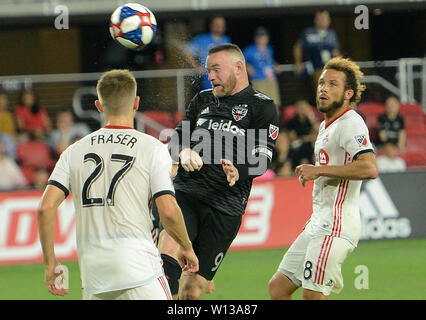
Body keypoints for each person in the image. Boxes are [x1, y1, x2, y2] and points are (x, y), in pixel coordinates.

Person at [37, 69, 198, 300]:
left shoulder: (73, 151)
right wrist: (186, 246)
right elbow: (168, 212)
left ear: (99, 106)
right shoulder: (151, 148)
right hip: (140, 271)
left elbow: (45, 208)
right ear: (136, 102)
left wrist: (49, 263)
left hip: (94, 277)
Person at [161, 43, 280, 300]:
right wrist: (183, 153)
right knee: (168, 251)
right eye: (208, 70)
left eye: (216, 69)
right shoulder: (202, 99)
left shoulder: (263, 106)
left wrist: (239, 170)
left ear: (238, 68)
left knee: (193, 290)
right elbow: (176, 140)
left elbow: (262, 158)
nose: (210, 76)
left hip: (225, 208)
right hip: (187, 194)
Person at [268, 57, 378, 300]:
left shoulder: (351, 122)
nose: (323, 88)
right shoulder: (327, 126)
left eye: (332, 84)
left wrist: (319, 170)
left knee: (312, 296)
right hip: (319, 222)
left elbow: (369, 168)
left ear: (348, 93)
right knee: (278, 288)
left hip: (336, 225)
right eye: (321, 83)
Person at [293, 11, 341, 104]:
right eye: (320, 19)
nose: (323, 21)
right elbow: (298, 46)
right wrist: (298, 62)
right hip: (315, 68)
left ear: (329, 20)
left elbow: (336, 52)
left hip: (330, 69)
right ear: (315, 20)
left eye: (325, 19)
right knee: (321, 91)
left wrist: (341, 66)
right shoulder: (308, 32)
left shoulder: (331, 34)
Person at [184, 16, 231, 91]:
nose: (220, 26)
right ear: (211, 25)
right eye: (217, 24)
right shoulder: (202, 39)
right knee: (211, 98)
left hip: (224, 75)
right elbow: (187, 53)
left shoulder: (226, 39)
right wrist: (197, 67)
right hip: (209, 76)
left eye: (222, 24)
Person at [243, 26, 282, 109]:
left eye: (264, 36)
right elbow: (239, 59)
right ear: (256, 38)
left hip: (271, 79)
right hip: (258, 80)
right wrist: (247, 66)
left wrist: (276, 65)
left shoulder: (269, 49)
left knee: (275, 104)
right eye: (259, 36)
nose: (262, 39)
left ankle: (274, 121)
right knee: (261, 104)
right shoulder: (249, 50)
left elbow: (270, 61)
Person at [285, 99, 319, 170]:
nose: (302, 109)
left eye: (304, 107)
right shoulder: (293, 121)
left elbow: (318, 132)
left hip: (310, 144)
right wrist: (308, 138)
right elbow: (292, 138)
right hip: (299, 145)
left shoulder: (310, 119)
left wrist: (311, 117)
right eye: (300, 107)